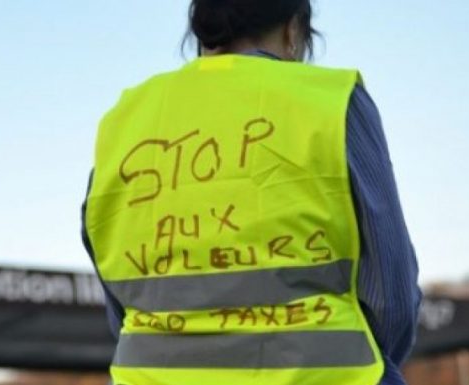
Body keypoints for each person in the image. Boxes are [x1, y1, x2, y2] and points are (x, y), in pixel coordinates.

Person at [81, 1, 421, 384]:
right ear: (294, 32)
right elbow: (391, 297)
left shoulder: (123, 122)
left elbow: (119, 294)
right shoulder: (332, 100)